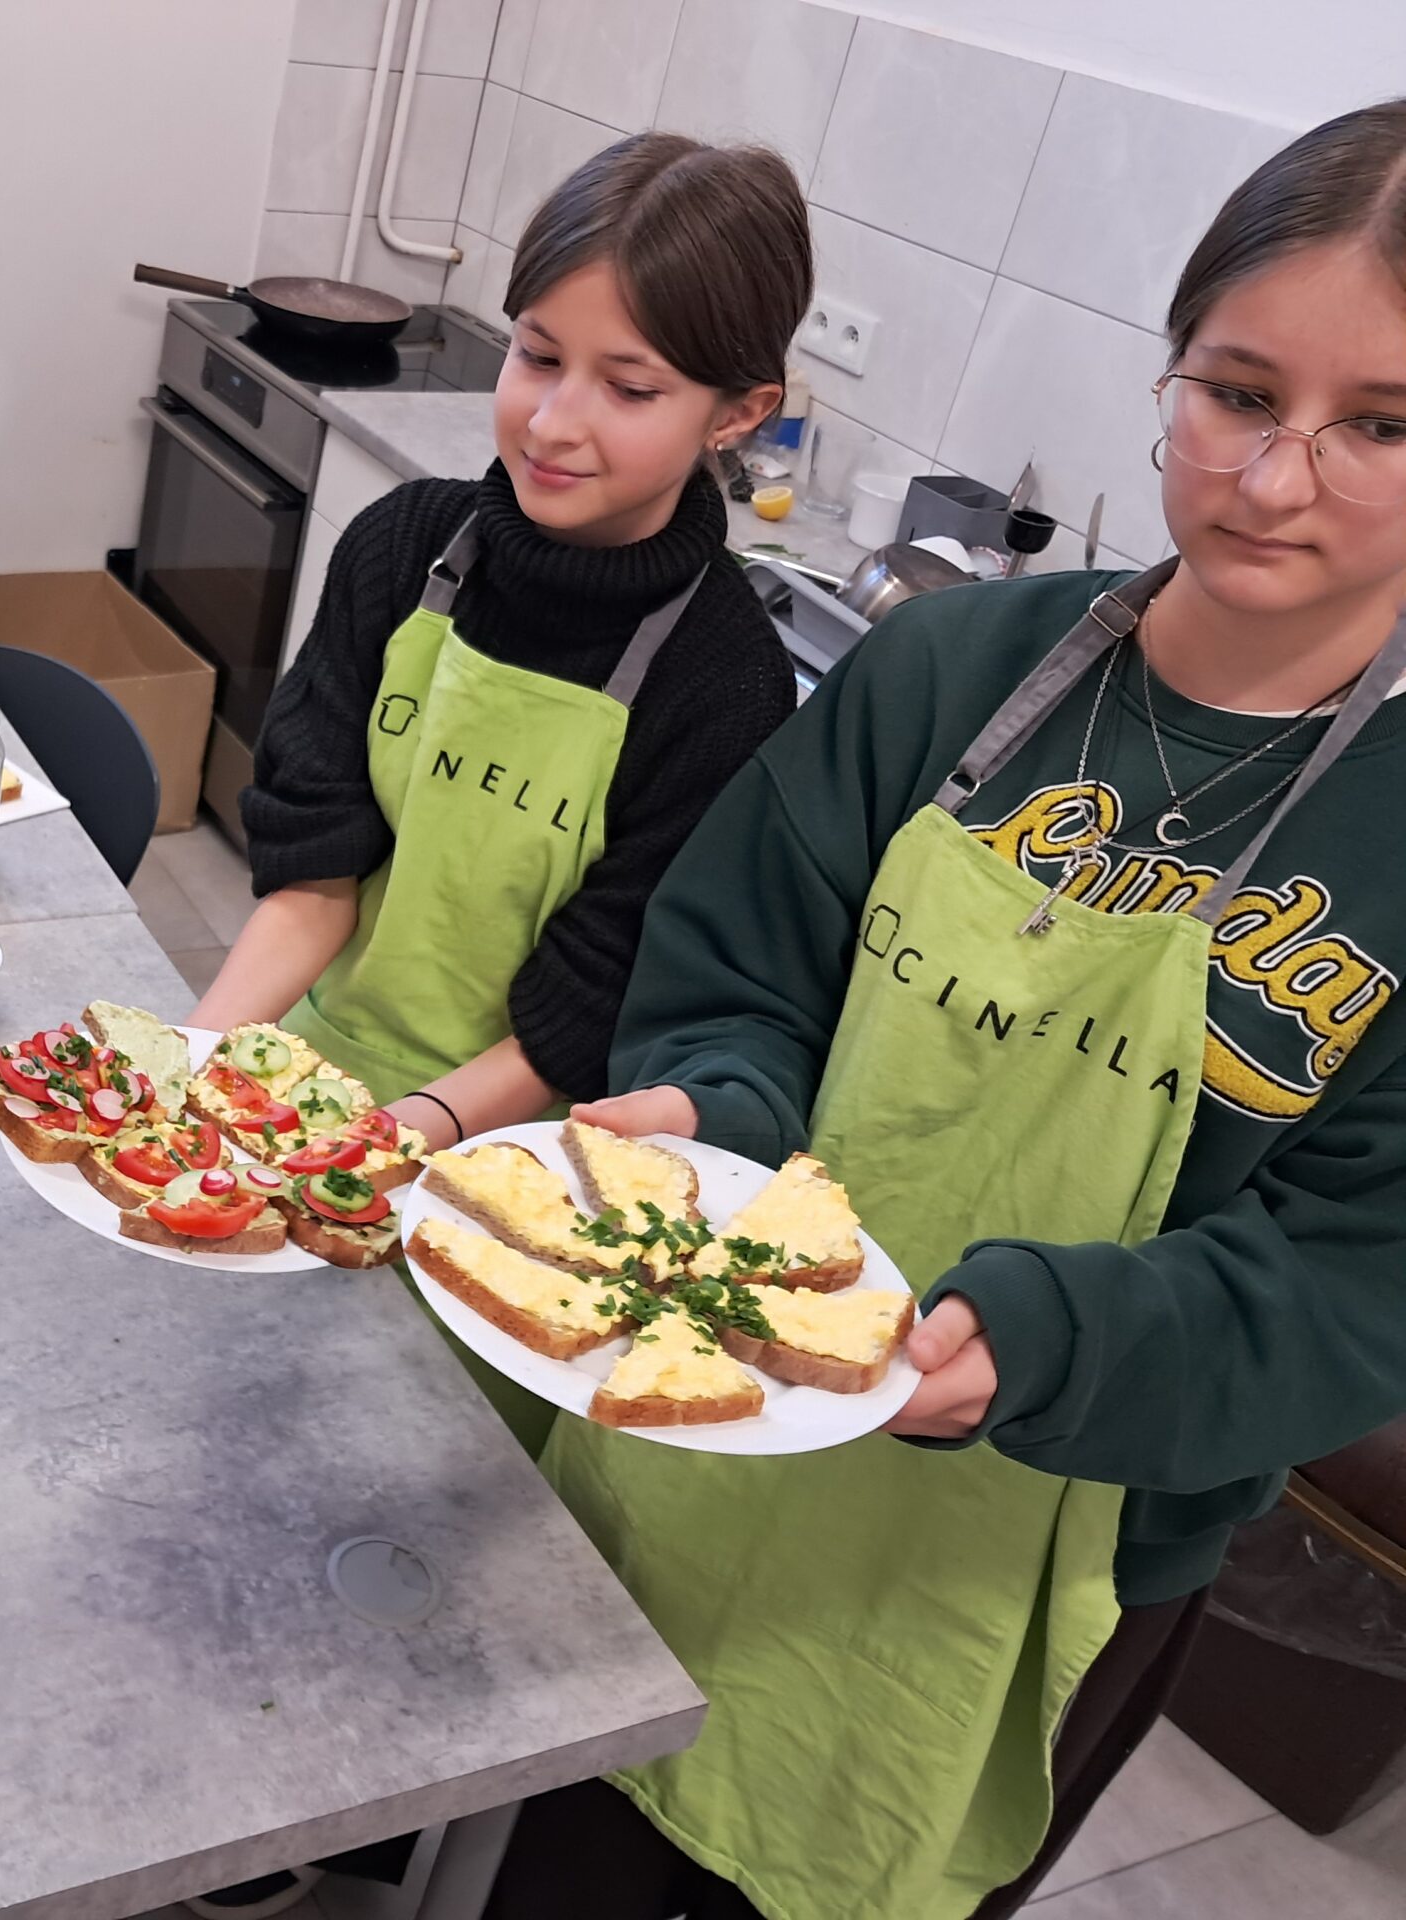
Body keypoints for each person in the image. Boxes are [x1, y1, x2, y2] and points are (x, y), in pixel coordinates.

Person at [494, 102, 1406, 1920]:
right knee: (546, 1858)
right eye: (1238, 393)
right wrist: (709, 1112)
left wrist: (1055, 1337)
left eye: (1382, 425)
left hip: (1052, 1528)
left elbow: (1358, 1277)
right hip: (715, 1392)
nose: (1272, 479)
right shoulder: (949, 672)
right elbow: (745, 976)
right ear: (1172, 375)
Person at [189, 132, 806, 1455]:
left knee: (408, 1475)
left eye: (628, 387)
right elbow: (313, 876)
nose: (552, 420)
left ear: (738, 413)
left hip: (515, 1170)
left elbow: (592, 1008)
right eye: (536, 355)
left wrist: (399, 1139)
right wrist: (195, 1073)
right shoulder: (406, 550)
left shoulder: (723, 684)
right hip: (310, 1080)